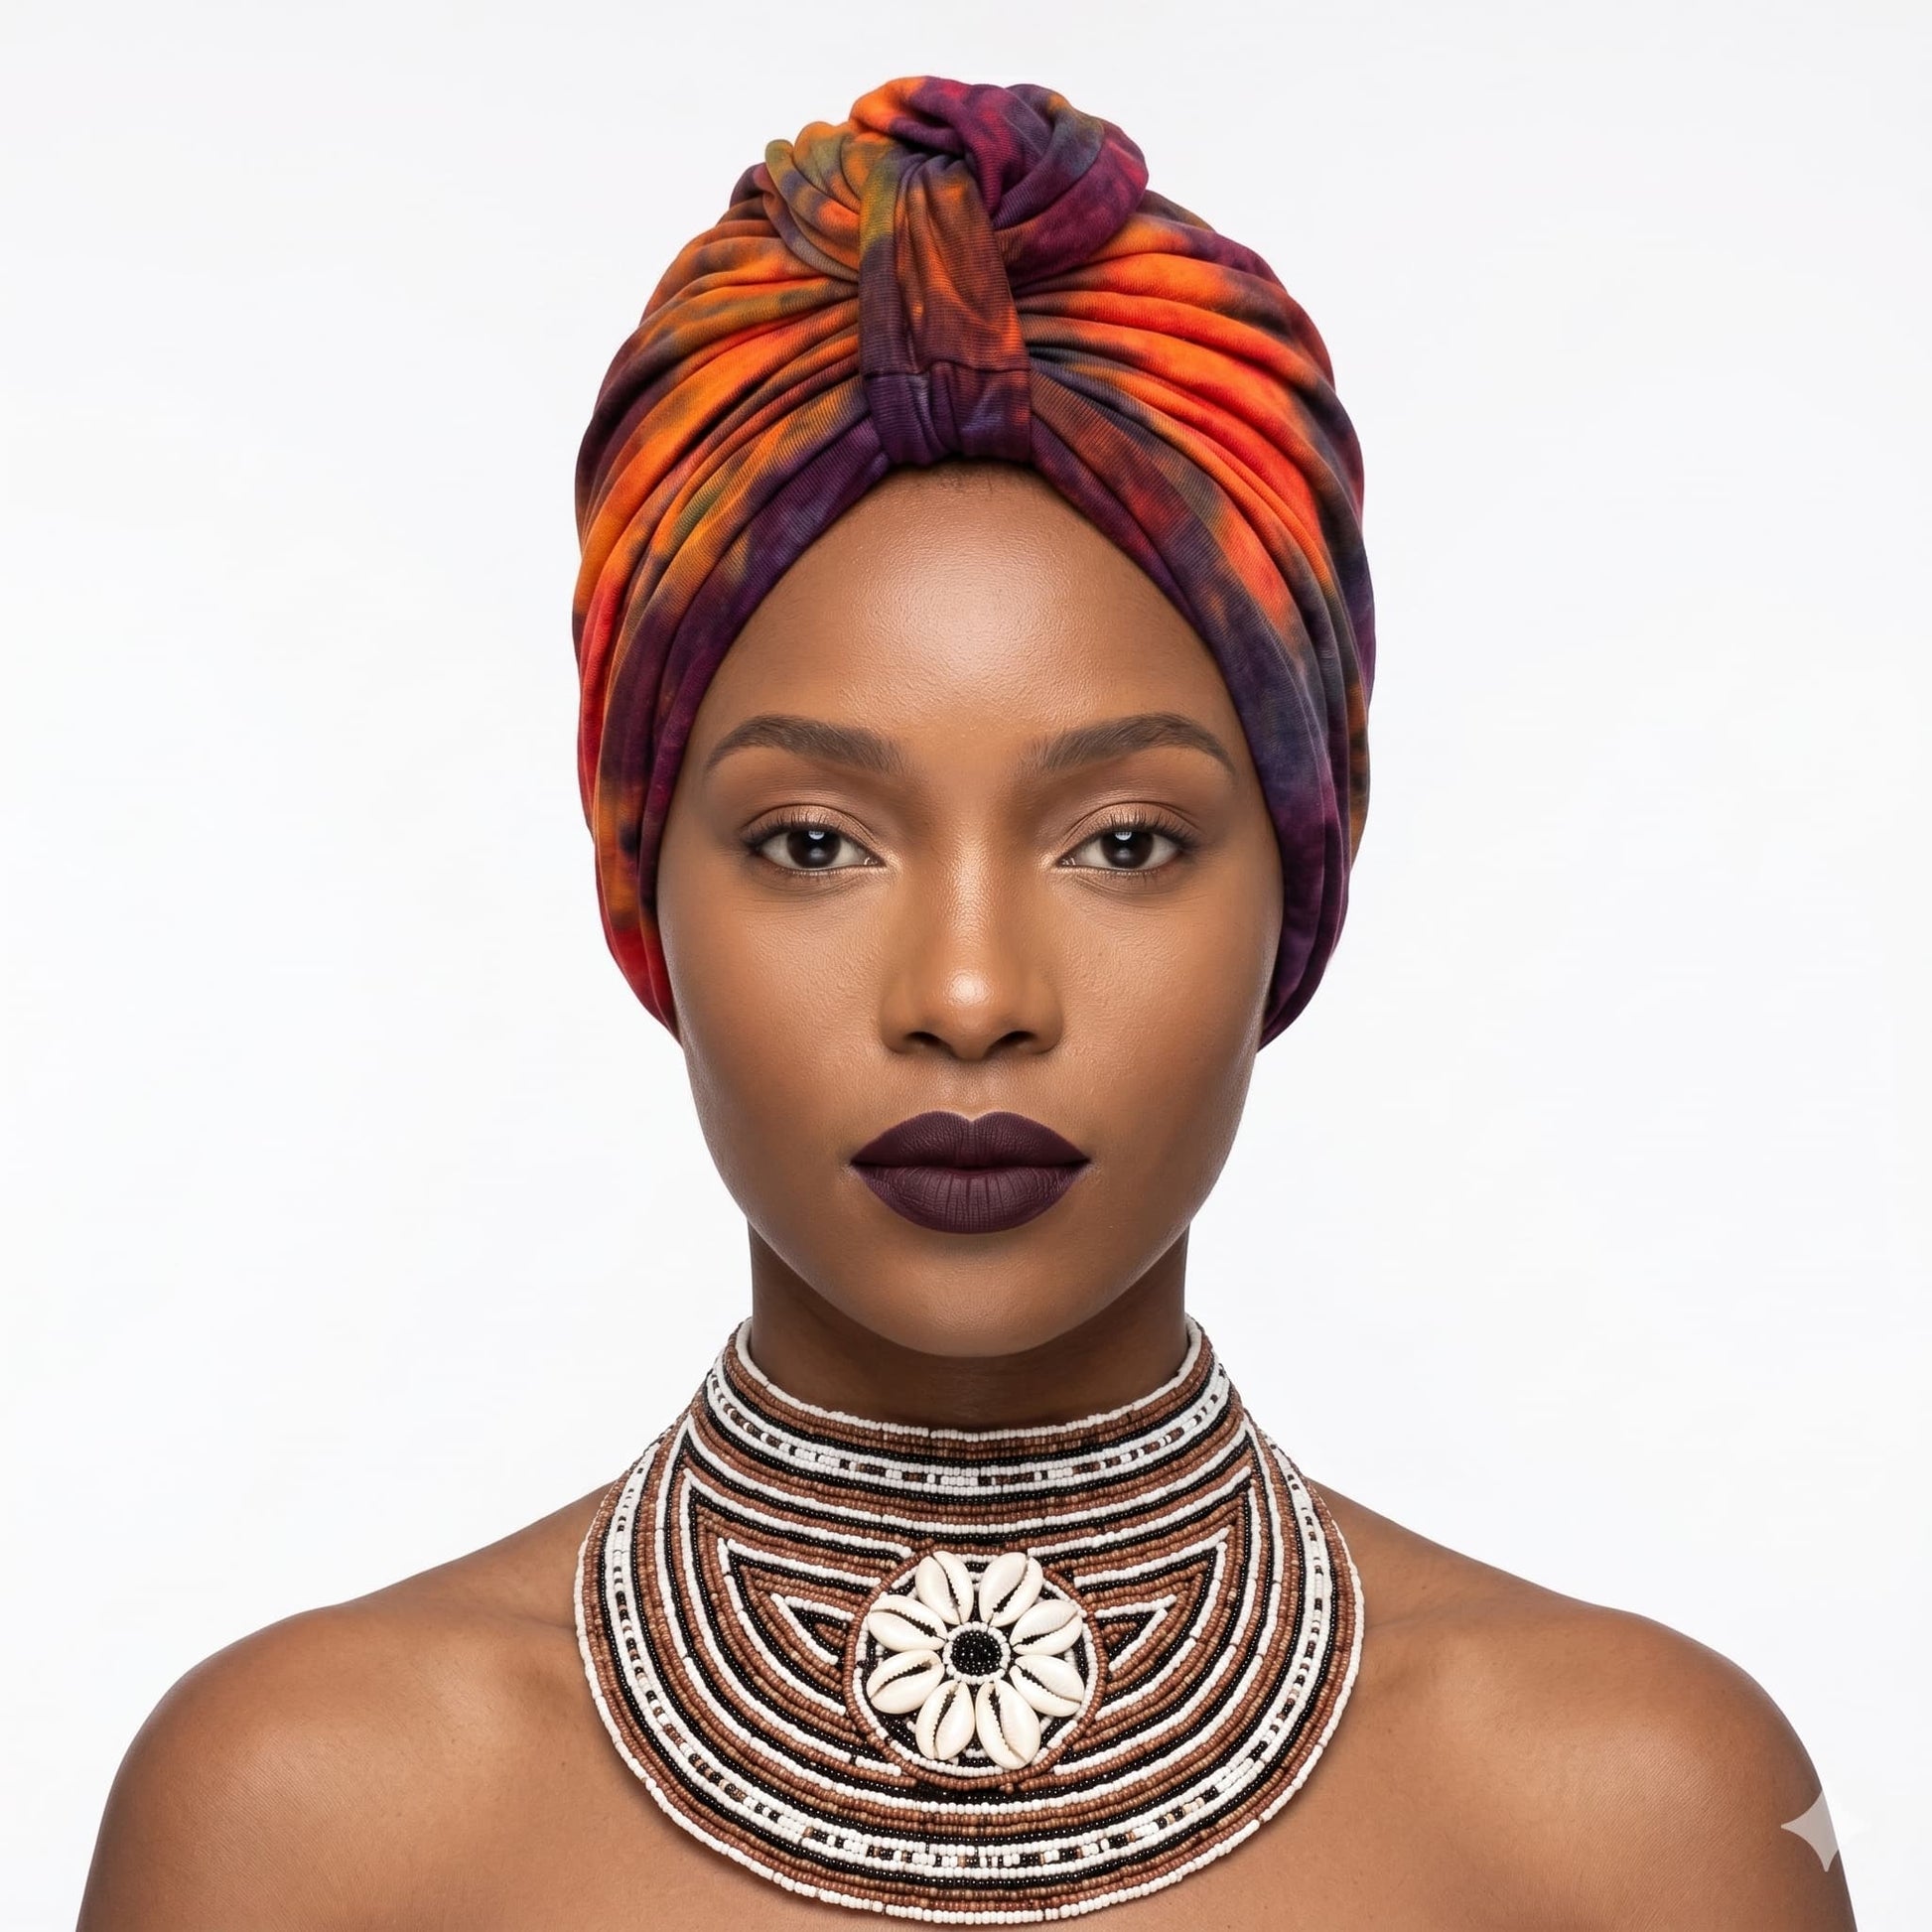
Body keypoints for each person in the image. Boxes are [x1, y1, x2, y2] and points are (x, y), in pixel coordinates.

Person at [77, 76, 1856, 1931]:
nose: (971, 994)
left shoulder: (1638, 1821)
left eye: (1126, 842)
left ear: (1300, 886)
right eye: (814, 842)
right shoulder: (298, 1822)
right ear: (643, 890)